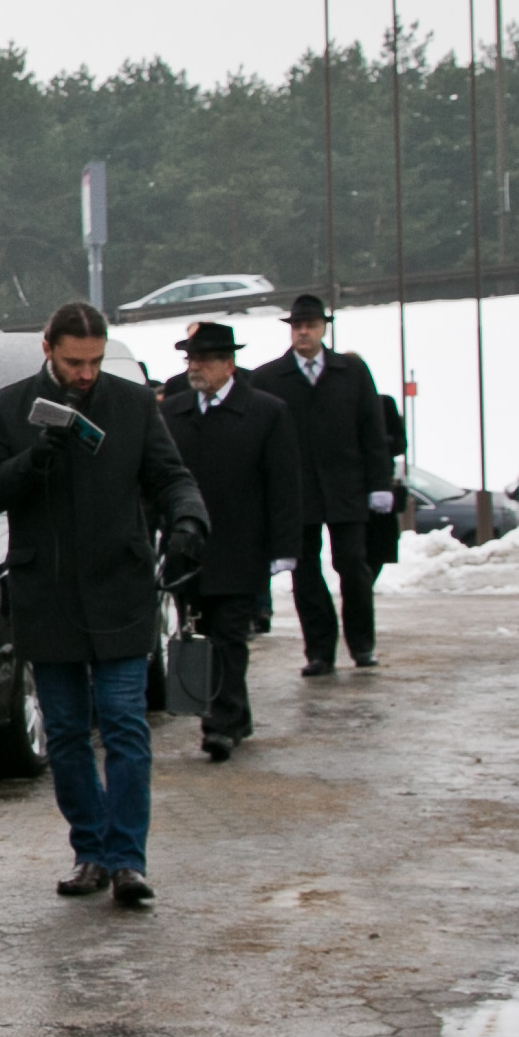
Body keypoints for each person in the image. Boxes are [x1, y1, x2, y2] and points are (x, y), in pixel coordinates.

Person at [0, 302, 204, 909]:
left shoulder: (133, 404)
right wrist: (33, 458)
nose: (87, 373)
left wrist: (188, 519)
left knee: (125, 726)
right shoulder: (7, 408)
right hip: (47, 594)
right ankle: (90, 849)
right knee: (68, 732)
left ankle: (127, 860)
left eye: (95, 361)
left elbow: (170, 476)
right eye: (75, 362)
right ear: (48, 349)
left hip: (118, 588)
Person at [157, 322, 303, 763]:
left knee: (229, 637)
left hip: (242, 547)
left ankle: (221, 725)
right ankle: (232, 716)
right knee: (198, 634)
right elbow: (156, 478)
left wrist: (284, 547)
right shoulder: (173, 412)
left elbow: (283, 484)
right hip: (189, 549)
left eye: (204, 360)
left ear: (228, 364)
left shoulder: (265, 411)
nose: (195, 367)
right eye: (191, 359)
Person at [245, 295, 392, 675]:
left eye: (310, 325)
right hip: (297, 492)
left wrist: (379, 484)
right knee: (305, 573)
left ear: (324, 328)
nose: (303, 332)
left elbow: (373, 431)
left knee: (353, 565)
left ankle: (362, 644)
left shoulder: (352, 372)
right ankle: (320, 651)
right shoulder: (269, 378)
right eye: (297, 326)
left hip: (346, 488)